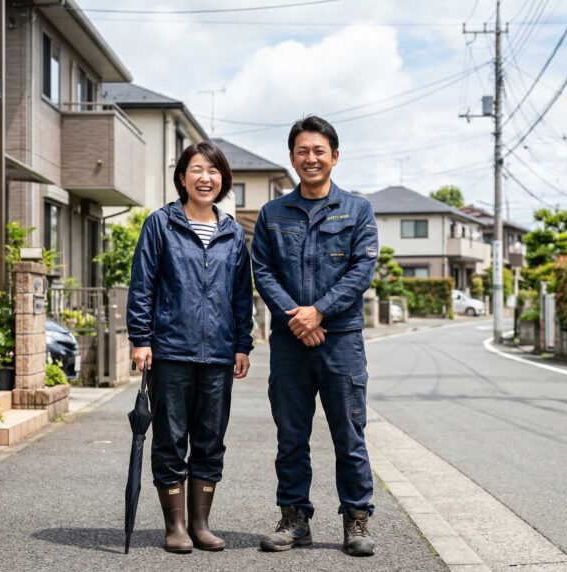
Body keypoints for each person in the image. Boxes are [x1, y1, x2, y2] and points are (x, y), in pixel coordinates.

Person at [251, 116, 378, 557]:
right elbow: (263, 271)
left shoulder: (358, 209)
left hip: (341, 339)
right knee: (291, 435)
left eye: (319, 151)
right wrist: (297, 319)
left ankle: (356, 520)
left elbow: (361, 270)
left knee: (349, 433)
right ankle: (294, 519)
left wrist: (319, 311)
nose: (311, 158)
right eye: (302, 151)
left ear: (334, 157)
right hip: (290, 341)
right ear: (291, 158)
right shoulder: (272, 213)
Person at [126, 141, 254, 553]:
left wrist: (243, 344)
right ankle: (175, 526)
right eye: (197, 170)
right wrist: (140, 339)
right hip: (170, 351)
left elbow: (241, 295)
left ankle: (201, 524)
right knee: (170, 439)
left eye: (213, 171)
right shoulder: (160, 224)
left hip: (218, 353)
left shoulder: (232, 233)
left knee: (211, 440)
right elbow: (142, 284)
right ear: (182, 177)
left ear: (223, 180)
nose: (205, 178)